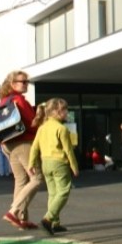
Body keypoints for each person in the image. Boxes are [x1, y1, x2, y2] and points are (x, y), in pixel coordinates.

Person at [0, 70, 43, 230]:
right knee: (36, 178)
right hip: (24, 143)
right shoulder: (19, 100)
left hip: (8, 144)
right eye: (23, 82)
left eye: (27, 81)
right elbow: (32, 123)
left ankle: (22, 218)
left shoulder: (5, 101)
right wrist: (40, 115)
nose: (26, 84)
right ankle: (14, 211)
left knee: (21, 180)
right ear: (12, 83)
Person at [28, 98, 79, 234]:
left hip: (45, 163)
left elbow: (34, 147)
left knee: (53, 193)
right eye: (65, 110)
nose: (67, 112)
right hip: (59, 163)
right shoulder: (61, 129)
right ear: (57, 111)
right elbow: (68, 150)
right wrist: (74, 166)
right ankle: (48, 219)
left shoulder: (42, 128)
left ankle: (55, 223)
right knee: (63, 191)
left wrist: (31, 163)